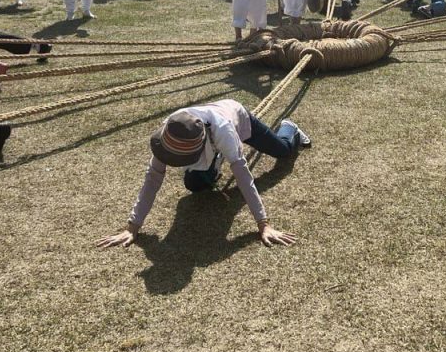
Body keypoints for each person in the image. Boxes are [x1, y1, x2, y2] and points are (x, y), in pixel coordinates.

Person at [95, 100, 310, 248]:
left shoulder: (224, 132)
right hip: (208, 137)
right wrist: (132, 227)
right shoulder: (170, 133)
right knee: (194, 184)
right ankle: (215, 161)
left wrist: (263, 224)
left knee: (283, 150)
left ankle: (290, 128)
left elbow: (244, 177)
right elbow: (152, 179)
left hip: (235, 115)